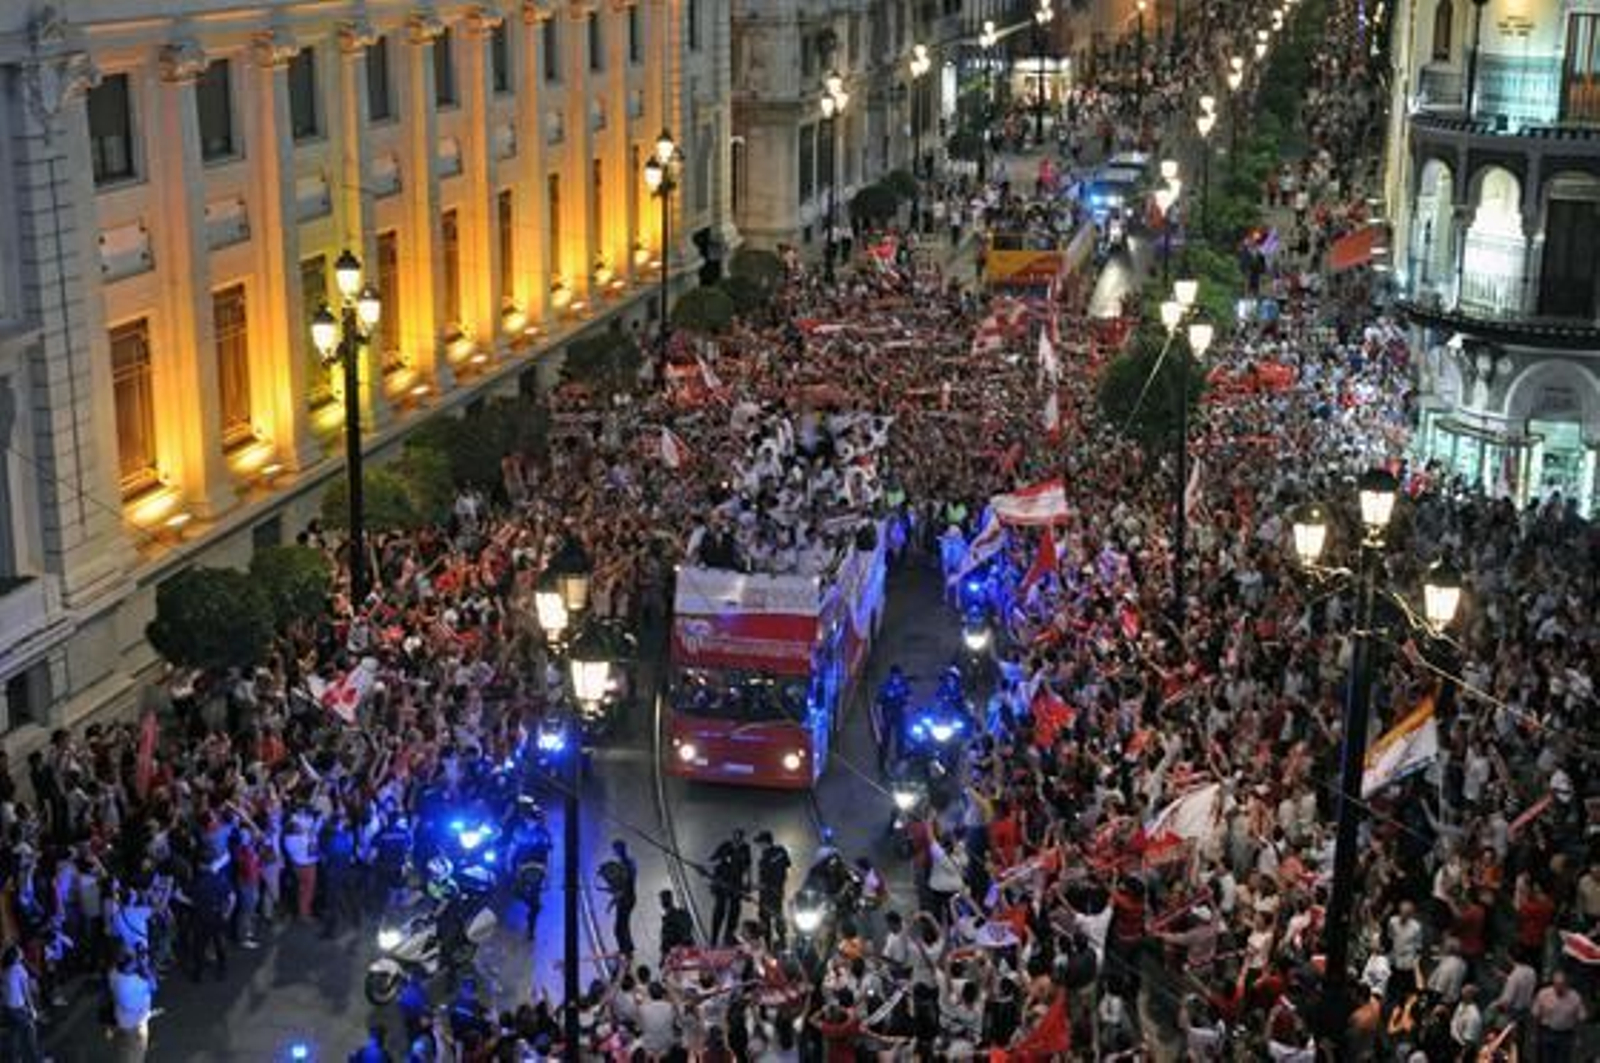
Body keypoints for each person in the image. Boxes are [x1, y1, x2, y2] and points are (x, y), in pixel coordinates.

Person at [108, 948, 156, 1062]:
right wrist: (145, 967)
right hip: (137, 1022)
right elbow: (153, 986)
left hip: (121, 1018)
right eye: (134, 960)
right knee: (137, 1054)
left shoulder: (113, 973)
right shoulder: (136, 981)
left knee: (126, 1048)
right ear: (129, 966)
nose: (136, 961)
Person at [1530, 970, 1587, 1063]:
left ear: (1566, 984)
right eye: (1556, 984)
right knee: (1546, 1059)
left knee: (1563, 1059)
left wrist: (1579, 1037)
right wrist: (1534, 1034)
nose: (1559, 987)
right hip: (1547, 1032)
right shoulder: (1544, 994)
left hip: (1565, 1034)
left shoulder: (1575, 997)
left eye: (1561, 984)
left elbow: (1581, 1017)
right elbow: (1536, 1014)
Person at [708, 828, 751, 945]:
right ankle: (713, 939)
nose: (737, 842)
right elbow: (712, 860)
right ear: (733, 838)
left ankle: (728, 937)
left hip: (736, 883)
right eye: (735, 839)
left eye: (740, 839)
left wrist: (748, 882)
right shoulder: (725, 846)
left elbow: (748, 866)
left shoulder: (745, 849)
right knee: (719, 910)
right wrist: (720, 862)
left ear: (742, 839)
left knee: (734, 911)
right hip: (722, 882)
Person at [1, 944, 42, 1063]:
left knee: (14, 1035)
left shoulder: (4, 969)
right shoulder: (19, 969)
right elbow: (26, 992)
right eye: (20, 951)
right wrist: (32, 1009)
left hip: (6, 1008)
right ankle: (36, 1059)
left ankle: (15, 1059)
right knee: (31, 1033)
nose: (22, 952)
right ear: (15, 956)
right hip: (18, 1007)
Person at [599, 839, 638, 957]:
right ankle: (627, 949)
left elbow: (625, 884)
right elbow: (618, 887)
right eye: (615, 849)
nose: (616, 851)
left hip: (627, 898)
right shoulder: (623, 864)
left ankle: (626, 951)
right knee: (622, 926)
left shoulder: (627, 863)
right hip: (625, 898)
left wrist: (613, 897)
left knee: (620, 928)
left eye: (617, 848)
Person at [755, 831, 791, 950]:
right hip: (775, 891)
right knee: (776, 916)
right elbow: (787, 865)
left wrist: (761, 886)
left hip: (769, 893)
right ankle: (781, 943)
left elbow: (767, 877)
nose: (759, 846)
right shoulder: (780, 851)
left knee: (766, 918)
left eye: (760, 843)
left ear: (765, 842)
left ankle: (770, 947)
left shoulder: (768, 856)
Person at [659, 890, 695, 963]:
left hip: (678, 954)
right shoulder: (683, 913)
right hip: (690, 949)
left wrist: (663, 958)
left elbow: (667, 942)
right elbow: (690, 926)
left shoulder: (668, 921)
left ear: (662, 904)